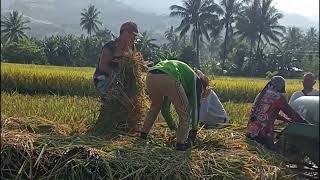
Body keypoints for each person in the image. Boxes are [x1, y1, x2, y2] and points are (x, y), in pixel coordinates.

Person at [139, 60, 208, 151]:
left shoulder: (183, 75)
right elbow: (195, 107)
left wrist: (173, 129)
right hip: (168, 77)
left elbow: (164, 109)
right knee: (185, 112)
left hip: (151, 75)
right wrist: (194, 130)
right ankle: (181, 144)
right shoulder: (197, 81)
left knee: (156, 106)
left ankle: (143, 134)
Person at [246, 76, 308, 150]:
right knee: (271, 154)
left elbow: (267, 112)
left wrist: (284, 119)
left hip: (250, 132)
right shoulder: (278, 97)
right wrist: (304, 123)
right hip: (263, 134)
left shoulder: (261, 95)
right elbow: (291, 113)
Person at [93, 21, 144, 96]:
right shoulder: (110, 47)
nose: (134, 39)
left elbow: (138, 64)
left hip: (121, 81)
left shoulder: (132, 48)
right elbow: (103, 66)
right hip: (104, 79)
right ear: (126, 34)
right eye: (134, 36)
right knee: (117, 92)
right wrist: (118, 75)